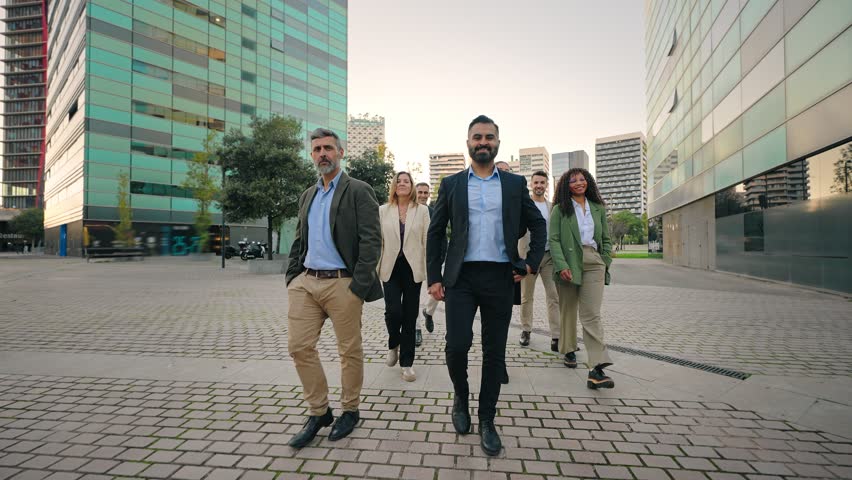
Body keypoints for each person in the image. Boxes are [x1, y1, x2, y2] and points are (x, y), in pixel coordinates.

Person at [427, 115, 546, 456]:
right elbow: (436, 233)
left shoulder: (513, 184)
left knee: (494, 353)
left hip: (499, 277)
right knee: (456, 346)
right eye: (477, 137)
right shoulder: (450, 184)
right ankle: (460, 398)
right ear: (468, 143)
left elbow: (538, 226)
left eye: (489, 137)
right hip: (461, 279)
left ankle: (487, 420)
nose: (483, 142)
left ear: (497, 142)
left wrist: (530, 264)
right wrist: (434, 277)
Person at [285, 128, 382, 448]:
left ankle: (350, 410)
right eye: (316, 149)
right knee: (299, 347)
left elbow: (372, 240)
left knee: (348, 351)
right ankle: (319, 411)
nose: (322, 153)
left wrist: (359, 285)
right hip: (306, 282)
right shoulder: (308, 195)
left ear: (340, 152)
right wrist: (292, 277)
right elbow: (300, 238)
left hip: (343, 283)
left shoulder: (358, 190)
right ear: (312, 155)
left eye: (328, 148)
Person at [549, 167, 615, 389]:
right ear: (566, 185)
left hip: (594, 261)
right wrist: (561, 265)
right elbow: (554, 240)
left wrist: (604, 259)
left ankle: (596, 368)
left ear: (588, 182)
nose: (579, 182)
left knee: (591, 315)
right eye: (573, 180)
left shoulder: (597, 208)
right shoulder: (560, 209)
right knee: (568, 310)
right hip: (569, 261)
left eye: (582, 178)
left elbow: (606, 237)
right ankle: (568, 350)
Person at [379, 172, 430, 382]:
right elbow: (377, 241)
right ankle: (394, 345)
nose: (402, 184)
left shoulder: (422, 211)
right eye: (399, 181)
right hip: (389, 268)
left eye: (406, 181)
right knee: (393, 312)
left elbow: (427, 242)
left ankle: (407, 363)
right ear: (394, 186)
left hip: (412, 268)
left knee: (410, 316)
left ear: (411, 186)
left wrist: (431, 273)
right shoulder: (383, 210)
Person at [518, 171, 560, 351]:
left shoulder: (552, 208)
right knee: (527, 297)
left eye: (542, 182)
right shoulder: (524, 205)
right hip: (528, 257)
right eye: (536, 182)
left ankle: (557, 336)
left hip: (549, 256)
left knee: (554, 297)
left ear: (546, 185)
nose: (539, 185)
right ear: (531, 184)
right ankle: (526, 330)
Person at [416, 182, 437, 344]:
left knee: (439, 291)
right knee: (412, 295)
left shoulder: (434, 212)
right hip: (413, 259)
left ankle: (428, 312)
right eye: (420, 192)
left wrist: (440, 257)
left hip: (431, 258)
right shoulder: (408, 211)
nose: (423, 195)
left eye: (426, 193)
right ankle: (416, 328)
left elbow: (441, 236)